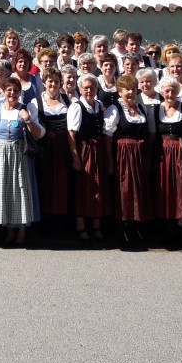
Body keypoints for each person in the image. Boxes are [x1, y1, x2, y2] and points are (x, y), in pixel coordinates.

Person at [0, 77, 43, 246]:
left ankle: (21, 231)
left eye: (16, 90)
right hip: (0, 154)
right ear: (4, 92)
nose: (12, 93)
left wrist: (27, 120)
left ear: (20, 93)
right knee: (4, 190)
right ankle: (9, 230)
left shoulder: (26, 109)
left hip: (20, 155)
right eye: (9, 90)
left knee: (20, 190)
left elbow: (39, 134)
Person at [104, 74, 154, 247]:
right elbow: (107, 138)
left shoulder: (141, 107)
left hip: (138, 155)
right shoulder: (115, 109)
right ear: (120, 91)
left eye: (133, 89)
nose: (131, 92)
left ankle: (136, 226)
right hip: (123, 155)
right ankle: (123, 229)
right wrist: (110, 161)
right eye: (127, 89)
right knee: (124, 190)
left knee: (138, 190)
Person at [152, 77, 182, 243]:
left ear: (178, 92)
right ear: (162, 92)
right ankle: (166, 228)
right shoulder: (155, 109)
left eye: (173, 90)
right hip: (162, 156)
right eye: (167, 91)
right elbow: (153, 136)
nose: (170, 94)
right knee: (165, 188)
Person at [67, 73, 110, 243]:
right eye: (85, 88)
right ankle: (80, 226)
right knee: (84, 187)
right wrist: (76, 157)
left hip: (97, 148)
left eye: (92, 87)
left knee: (99, 186)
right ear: (80, 89)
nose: (89, 91)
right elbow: (71, 134)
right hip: (84, 149)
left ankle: (96, 224)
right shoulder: (77, 107)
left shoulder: (99, 105)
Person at [28, 67, 72, 220]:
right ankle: (46, 220)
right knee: (46, 182)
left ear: (60, 83)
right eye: (50, 81)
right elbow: (34, 128)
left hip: (64, 147)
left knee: (64, 182)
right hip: (45, 149)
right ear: (44, 83)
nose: (53, 84)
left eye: (56, 81)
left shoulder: (68, 100)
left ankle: (63, 219)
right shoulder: (36, 103)